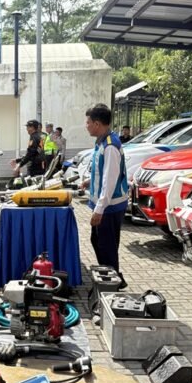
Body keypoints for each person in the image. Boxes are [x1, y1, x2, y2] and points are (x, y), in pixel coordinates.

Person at [79, 104, 129, 290]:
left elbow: (110, 181)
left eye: (88, 122)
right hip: (106, 205)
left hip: (110, 207)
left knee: (106, 246)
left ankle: (112, 284)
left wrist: (99, 209)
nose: (86, 125)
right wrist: (89, 182)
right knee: (99, 241)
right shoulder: (102, 142)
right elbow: (103, 174)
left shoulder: (110, 146)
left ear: (98, 124)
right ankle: (112, 277)